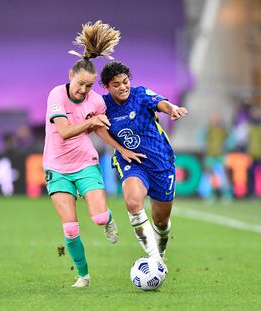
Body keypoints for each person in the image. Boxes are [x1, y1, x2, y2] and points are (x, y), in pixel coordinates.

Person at [43, 21, 144, 288]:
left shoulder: (96, 101)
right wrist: (91, 123)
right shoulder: (57, 95)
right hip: (56, 166)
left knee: (98, 217)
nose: (84, 90)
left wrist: (120, 148)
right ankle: (83, 275)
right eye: (80, 84)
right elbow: (64, 132)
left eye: (89, 86)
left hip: (85, 163)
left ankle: (108, 221)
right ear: (70, 76)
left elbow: (102, 130)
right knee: (70, 228)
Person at [100, 61, 188, 270]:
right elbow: (97, 128)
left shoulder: (139, 95)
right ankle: (155, 259)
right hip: (131, 161)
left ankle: (161, 250)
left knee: (161, 222)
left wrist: (173, 109)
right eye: (116, 84)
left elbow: (162, 104)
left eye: (125, 82)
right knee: (133, 202)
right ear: (106, 87)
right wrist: (120, 150)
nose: (122, 87)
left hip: (160, 161)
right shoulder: (102, 105)